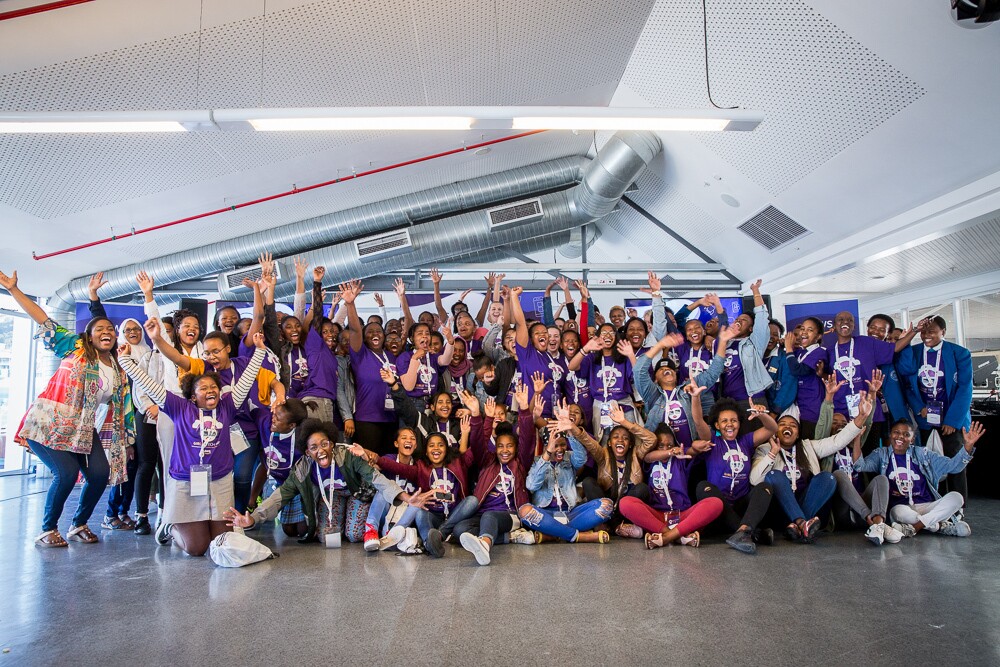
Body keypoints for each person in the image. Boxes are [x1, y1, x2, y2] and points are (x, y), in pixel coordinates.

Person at [4, 268, 135, 548]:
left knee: (100, 475)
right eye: (99, 330)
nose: (107, 333)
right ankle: (47, 529)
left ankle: (79, 524)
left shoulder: (116, 368)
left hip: (83, 431)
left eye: (110, 330)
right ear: (88, 337)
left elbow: (119, 410)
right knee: (63, 475)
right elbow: (42, 318)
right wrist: (15, 290)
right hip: (50, 424)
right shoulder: (74, 347)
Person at [118, 331, 266, 557]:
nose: (210, 391)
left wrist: (260, 352)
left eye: (213, 387)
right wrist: (124, 361)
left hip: (219, 480)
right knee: (197, 548)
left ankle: (202, 524)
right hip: (187, 482)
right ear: (192, 396)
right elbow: (147, 383)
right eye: (203, 388)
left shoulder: (227, 406)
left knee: (221, 542)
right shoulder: (180, 408)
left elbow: (246, 380)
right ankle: (171, 523)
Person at [225, 420, 431, 545]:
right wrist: (253, 519)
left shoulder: (347, 456)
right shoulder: (302, 469)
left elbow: (375, 478)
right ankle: (338, 521)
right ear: (307, 452)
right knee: (326, 537)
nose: (320, 450)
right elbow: (280, 496)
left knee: (354, 535)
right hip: (330, 498)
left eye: (325, 444)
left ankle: (354, 521)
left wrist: (405, 497)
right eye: (314, 447)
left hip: (356, 494)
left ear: (332, 443)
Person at [750, 391, 875, 543]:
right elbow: (755, 480)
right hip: (779, 509)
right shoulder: (763, 449)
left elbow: (837, 441)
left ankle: (798, 526)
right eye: (782, 425)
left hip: (808, 506)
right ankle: (802, 524)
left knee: (827, 477)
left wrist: (861, 418)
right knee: (774, 475)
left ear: (797, 434)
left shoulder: (808, 446)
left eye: (793, 426)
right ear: (775, 431)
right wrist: (772, 453)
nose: (787, 427)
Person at [852, 419, 983, 538]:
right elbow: (859, 466)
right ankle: (938, 526)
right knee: (897, 512)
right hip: (901, 507)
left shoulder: (923, 454)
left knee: (957, 497)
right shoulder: (882, 454)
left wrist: (967, 447)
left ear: (913, 439)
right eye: (896, 432)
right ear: (890, 435)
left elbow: (953, 467)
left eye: (906, 434)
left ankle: (915, 527)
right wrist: (857, 439)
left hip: (928, 505)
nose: (900, 437)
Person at [687, 391, 779, 554]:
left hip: (741, 506)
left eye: (733, 420)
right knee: (703, 486)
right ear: (717, 425)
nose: (729, 424)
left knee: (765, 487)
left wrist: (762, 415)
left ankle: (743, 530)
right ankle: (750, 533)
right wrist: (695, 397)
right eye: (724, 421)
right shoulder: (712, 441)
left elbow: (772, 428)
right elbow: (698, 420)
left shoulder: (746, 441)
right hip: (718, 509)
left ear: (739, 423)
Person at [896, 316, 973, 504]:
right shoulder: (913, 352)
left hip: (951, 419)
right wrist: (919, 407)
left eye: (932, 331)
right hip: (925, 419)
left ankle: (957, 506)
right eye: (923, 332)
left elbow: (965, 389)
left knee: (955, 462)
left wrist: (952, 420)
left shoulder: (959, 353)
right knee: (926, 463)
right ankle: (930, 503)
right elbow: (906, 384)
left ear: (943, 332)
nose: (926, 335)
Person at [620, 423, 724, 548]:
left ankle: (665, 537)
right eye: (661, 446)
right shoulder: (650, 460)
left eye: (670, 445)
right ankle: (678, 536)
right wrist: (669, 452)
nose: (665, 449)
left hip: (682, 516)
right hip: (657, 517)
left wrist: (695, 447)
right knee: (625, 503)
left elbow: (692, 451)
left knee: (715, 503)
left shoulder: (680, 457)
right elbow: (648, 457)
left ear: (675, 445)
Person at [340, 279, 399, 456]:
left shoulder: (391, 356)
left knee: (388, 462)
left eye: (378, 331)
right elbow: (356, 331)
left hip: (391, 418)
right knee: (368, 463)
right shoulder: (360, 354)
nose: (375, 334)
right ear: (365, 338)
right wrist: (350, 303)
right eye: (370, 332)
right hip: (367, 419)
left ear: (384, 336)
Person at [717, 280, 773, 431]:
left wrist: (755, 291)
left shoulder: (754, 343)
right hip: (728, 403)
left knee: (755, 443)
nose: (739, 321)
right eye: (737, 319)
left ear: (751, 329)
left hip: (751, 399)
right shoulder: (724, 343)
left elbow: (762, 318)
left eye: (744, 320)